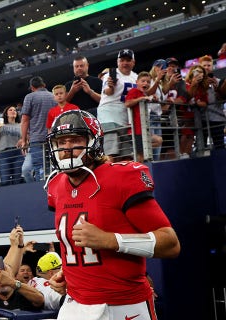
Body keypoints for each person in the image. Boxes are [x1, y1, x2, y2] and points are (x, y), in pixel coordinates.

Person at [45, 110, 180, 320]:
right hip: (74, 304)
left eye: (76, 140)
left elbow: (171, 244)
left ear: (94, 142)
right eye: (61, 142)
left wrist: (110, 240)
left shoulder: (121, 177)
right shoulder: (55, 186)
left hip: (123, 304)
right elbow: (74, 245)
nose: (67, 149)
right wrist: (69, 272)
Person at [97, 49, 138, 161]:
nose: (125, 63)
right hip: (109, 117)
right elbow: (108, 92)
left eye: (128, 60)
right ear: (117, 61)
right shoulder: (110, 74)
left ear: (133, 62)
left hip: (125, 119)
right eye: (122, 60)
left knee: (127, 156)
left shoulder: (136, 77)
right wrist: (111, 86)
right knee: (111, 153)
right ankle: (108, 177)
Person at [18, 76, 56, 183]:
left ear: (32, 87)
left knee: (40, 168)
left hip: (36, 139)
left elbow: (25, 120)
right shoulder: (54, 96)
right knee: (53, 167)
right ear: (44, 85)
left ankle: (41, 192)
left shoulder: (29, 97)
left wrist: (24, 140)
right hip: (53, 139)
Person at [124, 71, 162, 162]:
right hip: (137, 130)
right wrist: (141, 99)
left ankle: (137, 152)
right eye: (143, 81)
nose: (146, 83)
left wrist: (152, 99)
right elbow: (127, 103)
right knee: (140, 156)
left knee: (158, 140)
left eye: (148, 82)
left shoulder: (144, 94)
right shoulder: (134, 91)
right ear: (137, 82)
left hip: (144, 130)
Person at [198, 55, 226, 149]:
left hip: (218, 120)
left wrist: (217, 88)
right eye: (204, 65)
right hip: (201, 120)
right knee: (201, 148)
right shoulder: (196, 83)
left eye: (208, 65)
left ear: (212, 67)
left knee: (220, 147)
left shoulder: (219, 82)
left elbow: (222, 100)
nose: (206, 67)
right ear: (200, 67)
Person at [0, 105, 23, 186]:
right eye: (10, 110)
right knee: (5, 180)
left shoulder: (21, 125)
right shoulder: (0, 124)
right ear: (6, 114)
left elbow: (26, 139)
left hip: (18, 153)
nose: (13, 111)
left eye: (15, 110)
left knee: (17, 180)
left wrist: (23, 139)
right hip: (3, 154)